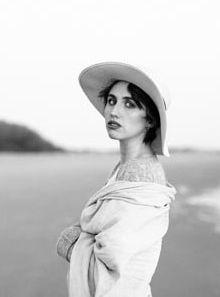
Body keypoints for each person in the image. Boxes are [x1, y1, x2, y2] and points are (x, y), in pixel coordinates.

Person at [56, 62, 176, 297]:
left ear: (150, 119)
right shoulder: (125, 167)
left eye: (129, 104)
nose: (114, 111)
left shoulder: (139, 175)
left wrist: (71, 242)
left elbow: (112, 255)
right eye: (112, 100)